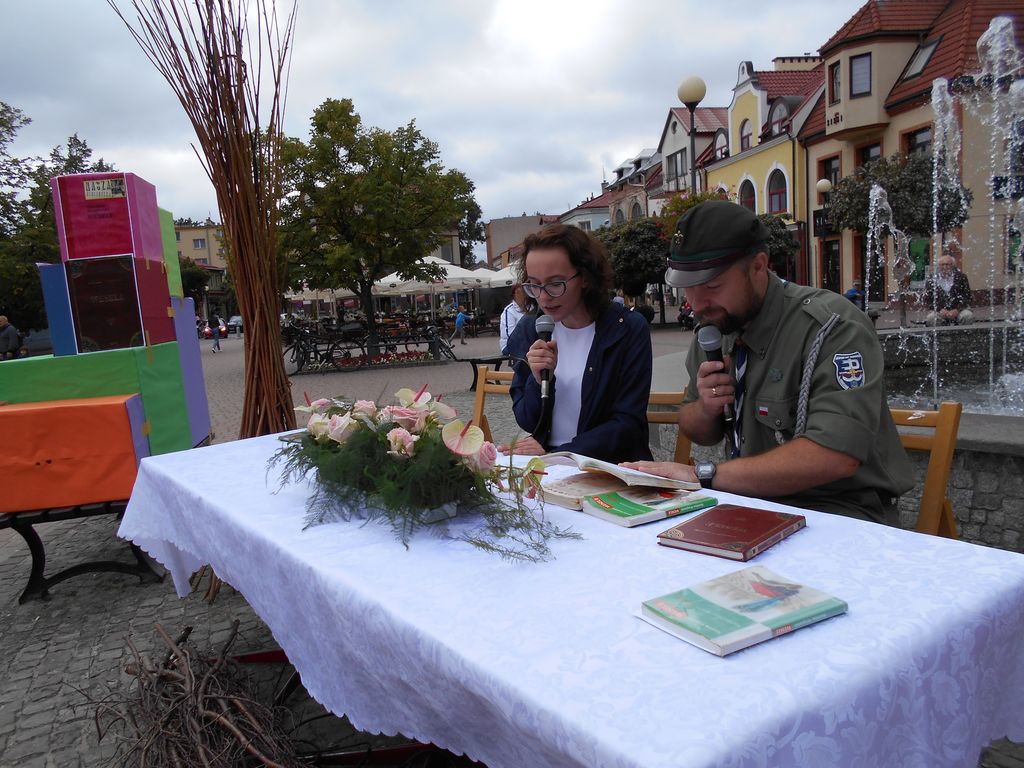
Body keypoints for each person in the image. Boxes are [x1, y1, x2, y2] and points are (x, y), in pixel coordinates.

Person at [622, 200, 912, 523]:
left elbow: (835, 456)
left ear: (759, 266)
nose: (697, 304)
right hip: (752, 506)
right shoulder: (715, 326)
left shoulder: (832, 327)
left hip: (840, 515)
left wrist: (703, 475)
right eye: (687, 289)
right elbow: (697, 429)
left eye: (712, 286)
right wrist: (706, 407)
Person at [502, 224, 653, 463]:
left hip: (611, 468)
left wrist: (561, 454)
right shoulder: (531, 329)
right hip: (552, 466)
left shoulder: (627, 329)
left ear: (585, 278)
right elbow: (528, 420)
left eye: (555, 283)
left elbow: (627, 423)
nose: (543, 297)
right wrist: (538, 381)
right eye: (534, 285)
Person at [924, 254, 973, 325]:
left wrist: (957, 310)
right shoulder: (931, 279)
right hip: (939, 311)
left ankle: (962, 332)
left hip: (958, 310)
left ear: (952, 265)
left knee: (967, 316)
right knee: (931, 318)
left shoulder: (961, 277)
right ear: (938, 266)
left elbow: (967, 296)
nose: (945, 267)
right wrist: (940, 309)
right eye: (942, 265)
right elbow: (928, 299)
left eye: (947, 264)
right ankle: (941, 332)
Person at [499, 284, 529, 355]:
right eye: (518, 293)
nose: (522, 295)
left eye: (524, 292)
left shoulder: (531, 308)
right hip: (509, 345)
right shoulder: (509, 311)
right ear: (514, 295)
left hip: (527, 342)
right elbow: (511, 335)